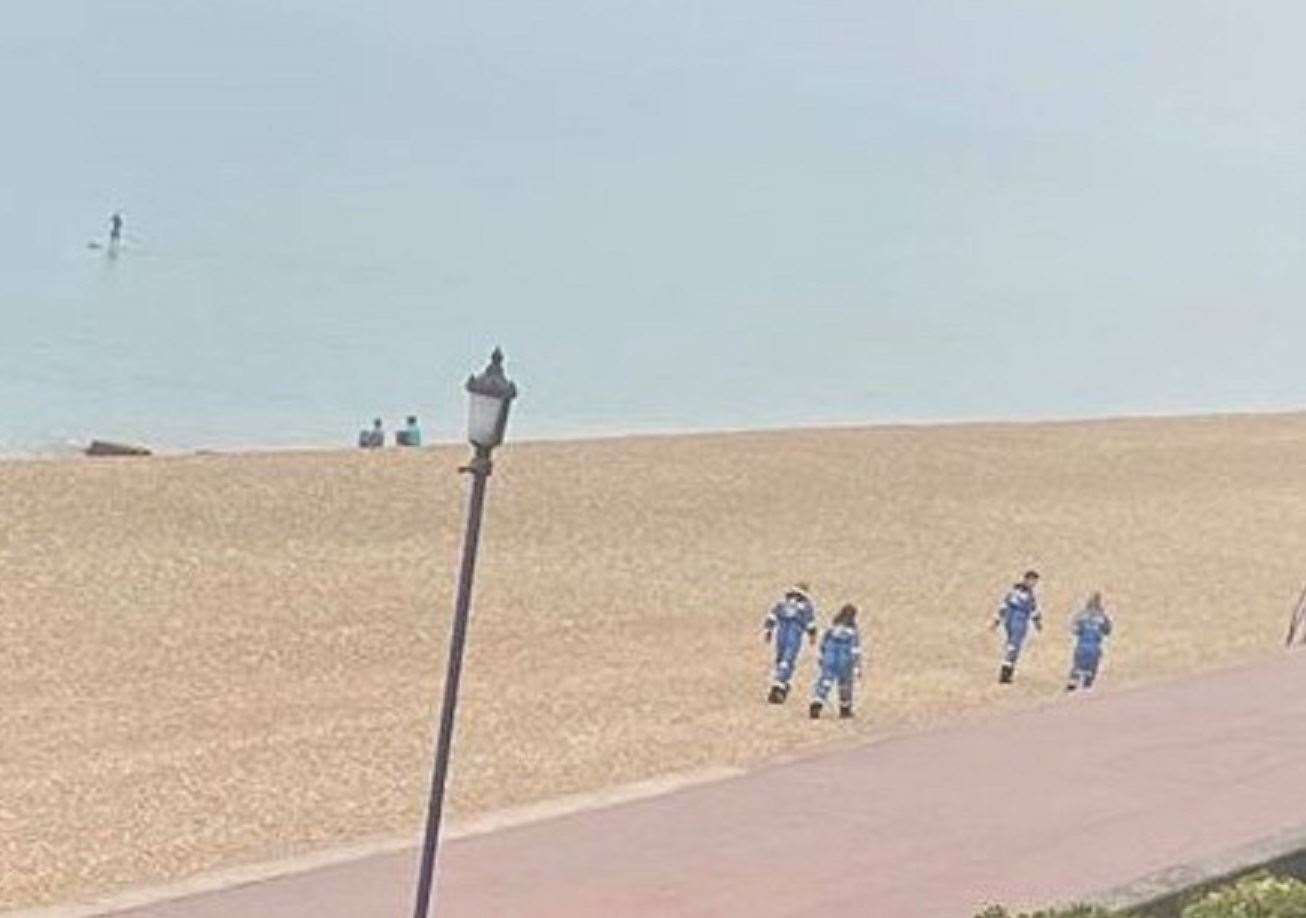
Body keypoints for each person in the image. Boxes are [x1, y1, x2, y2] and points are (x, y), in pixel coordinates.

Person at [763, 584, 818, 703]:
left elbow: (772, 617)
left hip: (782, 634)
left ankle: (781, 683)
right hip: (793, 635)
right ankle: (780, 685)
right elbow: (810, 622)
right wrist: (812, 634)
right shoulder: (805, 606)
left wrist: (768, 630)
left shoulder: (783, 603)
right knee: (787, 660)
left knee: (782, 659)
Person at [809, 603, 862, 719]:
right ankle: (845, 709)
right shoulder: (852, 632)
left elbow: (823, 644)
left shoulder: (832, 629)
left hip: (829, 657)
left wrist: (821, 657)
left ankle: (817, 702)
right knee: (845, 683)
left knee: (825, 681)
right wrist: (857, 667)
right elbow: (855, 650)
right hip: (845, 659)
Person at [991, 570, 1042, 684]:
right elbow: (1007, 605)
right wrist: (997, 620)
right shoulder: (1021, 593)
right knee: (1013, 646)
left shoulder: (1022, 592)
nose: (1033, 583)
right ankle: (1005, 673)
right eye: (1032, 581)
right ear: (1027, 579)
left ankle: (1007, 671)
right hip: (1017, 621)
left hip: (1016, 620)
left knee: (1013, 646)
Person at [1066, 592, 1113, 691]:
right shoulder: (1102, 617)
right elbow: (1108, 630)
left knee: (1077, 667)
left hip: (1082, 646)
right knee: (1090, 669)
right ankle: (1085, 688)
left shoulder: (1081, 616)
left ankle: (1072, 686)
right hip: (1093, 647)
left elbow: (1074, 630)